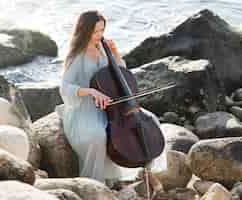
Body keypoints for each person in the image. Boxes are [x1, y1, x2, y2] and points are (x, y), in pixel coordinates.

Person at [59, 10, 168, 188]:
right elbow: (65, 87)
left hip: (113, 107)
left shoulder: (103, 48)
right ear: (84, 31)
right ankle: (95, 184)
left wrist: (115, 53)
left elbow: (120, 74)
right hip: (86, 107)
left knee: (151, 121)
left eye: (102, 30)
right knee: (97, 135)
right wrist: (91, 92)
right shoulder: (76, 56)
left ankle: (148, 171)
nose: (99, 35)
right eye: (95, 32)